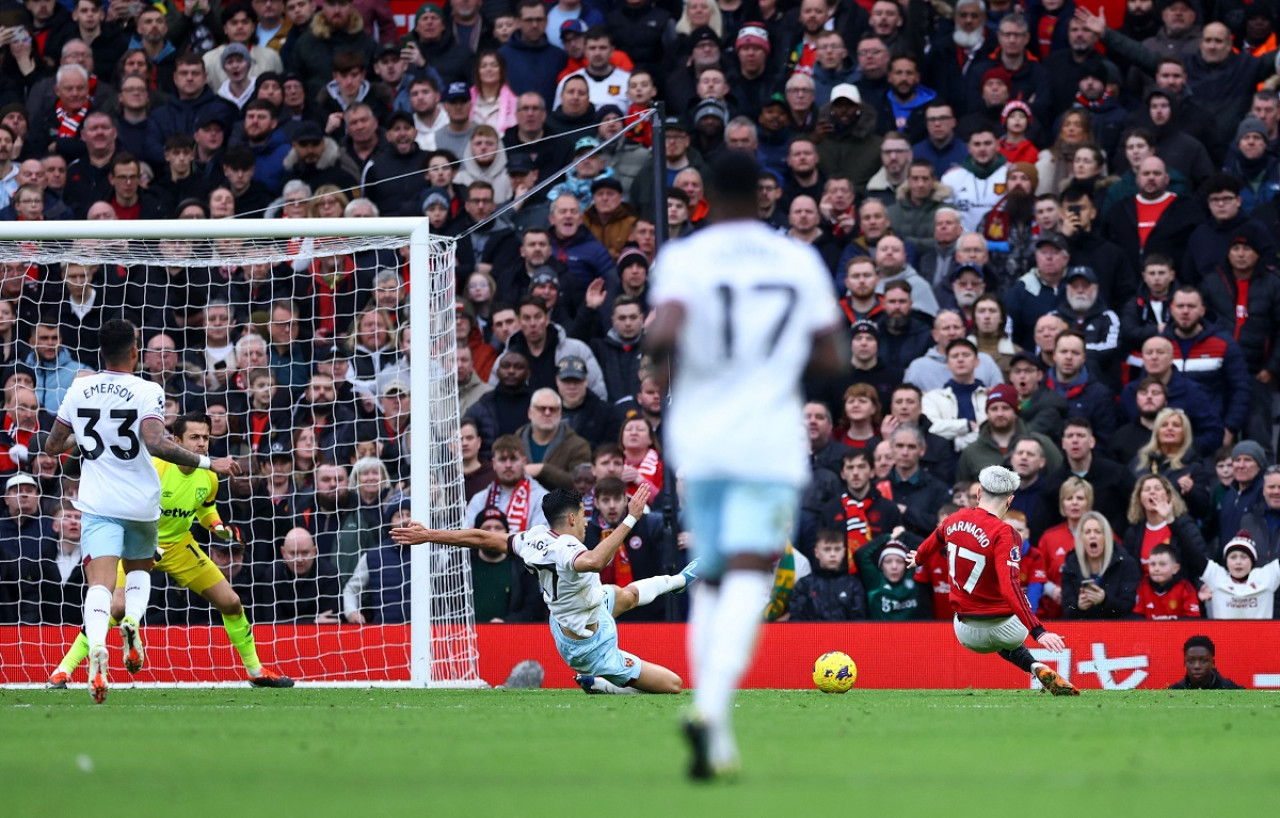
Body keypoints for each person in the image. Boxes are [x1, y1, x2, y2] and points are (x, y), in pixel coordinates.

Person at [645, 151, 846, 779]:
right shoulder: (796, 259)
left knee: (710, 573)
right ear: (764, 196)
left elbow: (661, 336)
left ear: (704, 194)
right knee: (755, 573)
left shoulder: (685, 258)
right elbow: (830, 355)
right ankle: (709, 711)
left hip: (701, 438)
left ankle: (714, 725)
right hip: (767, 438)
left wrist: (671, 369)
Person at [42, 319, 242, 703]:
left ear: (101, 351)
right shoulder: (147, 389)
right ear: (135, 350)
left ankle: (96, 648)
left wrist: (84, 432)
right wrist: (208, 463)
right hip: (140, 504)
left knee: (100, 584)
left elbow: (53, 446)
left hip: (99, 502)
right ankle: (132, 622)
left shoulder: (79, 387)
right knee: (138, 571)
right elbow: (156, 443)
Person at [47, 413, 293, 689]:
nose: (202, 444)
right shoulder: (152, 467)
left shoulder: (209, 475)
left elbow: (205, 507)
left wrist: (218, 526)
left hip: (179, 545)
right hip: (137, 542)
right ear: (176, 441)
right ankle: (62, 671)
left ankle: (256, 671)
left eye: (205, 438)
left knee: (231, 602)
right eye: (194, 438)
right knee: (115, 607)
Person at [393, 483, 697, 683]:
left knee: (627, 596)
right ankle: (603, 686)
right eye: (583, 515)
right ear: (572, 519)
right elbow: (594, 562)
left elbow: (481, 537)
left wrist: (429, 535)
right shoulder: (568, 550)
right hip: (588, 645)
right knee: (674, 684)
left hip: (573, 612)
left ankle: (679, 579)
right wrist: (630, 520)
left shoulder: (532, 537)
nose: (587, 521)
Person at [905, 466, 1076, 694]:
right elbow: (1009, 587)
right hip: (1008, 627)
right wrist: (1039, 631)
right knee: (1016, 594)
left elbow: (934, 539)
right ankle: (1031, 659)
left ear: (978, 493)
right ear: (1010, 500)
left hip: (966, 632)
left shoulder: (954, 519)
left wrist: (918, 557)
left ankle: (1034, 665)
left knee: (995, 633)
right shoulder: (1005, 533)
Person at [1060, 511, 1141, 620]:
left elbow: (1128, 606)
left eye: (1098, 532)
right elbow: (1067, 610)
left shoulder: (1126, 563)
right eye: (1087, 532)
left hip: (1118, 630)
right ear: (1081, 538)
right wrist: (1079, 607)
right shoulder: (1071, 565)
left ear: (1106, 536)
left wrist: (1105, 600)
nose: (1092, 536)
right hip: (1084, 630)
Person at [785, 528, 867, 621]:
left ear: (844, 552)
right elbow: (796, 620)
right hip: (811, 635)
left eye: (837, 549)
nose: (832, 554)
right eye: (827, 549)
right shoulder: (805, 585)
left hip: (844, 635)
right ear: (817, 552)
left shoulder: (853, 585)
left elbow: (859, 623)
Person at [1197, 531, 1280, 620]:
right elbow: (1192, 553)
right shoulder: (1216, 576)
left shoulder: (1267, 576)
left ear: (1252, 561)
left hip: (1262, 633)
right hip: (1224, 634)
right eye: (1233, 557)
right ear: (1226, 562)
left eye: (1244, 557)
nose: (1238, 562)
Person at [1133, 544, 1201, 619]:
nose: (1156, 569)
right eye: (1152, 564)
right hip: (1151, 630)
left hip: (1178, 630)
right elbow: (1137, 617)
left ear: (1175, 568)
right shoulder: (1143, 586)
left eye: (1162, 564)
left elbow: (1193, 619)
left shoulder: (1186, 587)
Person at [1168, 635, 1245, 689]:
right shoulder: (1174, 692)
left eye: (1204, 660)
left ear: (1213, 663)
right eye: (1191, 661)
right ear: (1185, 663)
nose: (1197, 666)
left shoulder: (1230, 689)